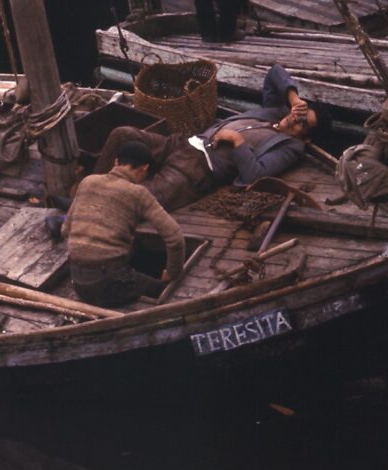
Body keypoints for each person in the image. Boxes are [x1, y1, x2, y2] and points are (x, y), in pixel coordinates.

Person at [92, 64, 332, 212]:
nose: (295, 118)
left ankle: (85, 210)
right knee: (122, 135)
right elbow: (274, 72)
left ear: (307, 138)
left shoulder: (291, 147)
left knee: (145, 196)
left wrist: (237, 142)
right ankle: (89, 190)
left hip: (196, 170)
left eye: (303, 123)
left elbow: (256, 175)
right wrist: (294, 98)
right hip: (182, 144)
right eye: (299, 113)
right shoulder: (275, 111)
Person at [63, 140, 185, 308]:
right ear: (144, 169)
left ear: (116, 162)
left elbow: (65, 230)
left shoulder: (87, 182)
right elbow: (175, 238)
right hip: (108, 285)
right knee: (167, 289)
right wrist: (172, 272)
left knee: (136, 249)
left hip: (77, 282)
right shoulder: (138, 193)